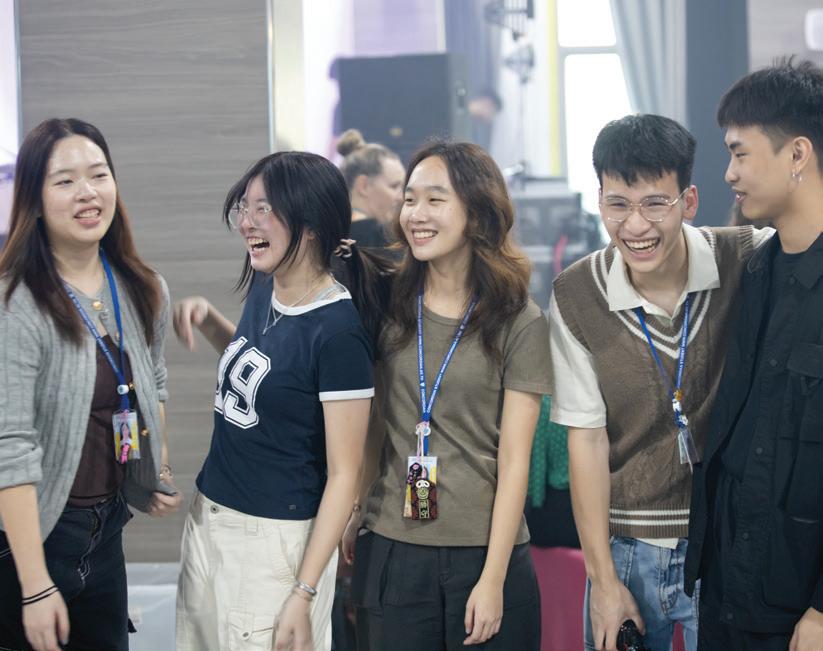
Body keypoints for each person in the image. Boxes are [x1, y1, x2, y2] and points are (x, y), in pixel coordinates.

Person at [548, 114, 770, 651]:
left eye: (654, 203)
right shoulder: (576, 294)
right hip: (625, 547)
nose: (635, 226)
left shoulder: (746, 257)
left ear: (688, 201)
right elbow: (586, 440)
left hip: (721, 541)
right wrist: (603, 582)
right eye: (617, 204)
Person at [344, 141, 551, 650]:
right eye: (409, 199)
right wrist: (358, 509)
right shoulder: (387, 302)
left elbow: (515, 461)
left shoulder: (519, 320)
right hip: (393, 547)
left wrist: (493, 579)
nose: (415, 214)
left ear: (477, 213)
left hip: (484, 553)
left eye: (435, 200)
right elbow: (377, 423)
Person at [173, 151, 384, 651]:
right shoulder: (267, 285)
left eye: (262, 209)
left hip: (273, 543)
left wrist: (303, 593)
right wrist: (210, 321)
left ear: (309, 225)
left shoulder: (338, 334)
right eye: (243, 209)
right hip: (210, 519)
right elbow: (267, 374)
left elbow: (345, 474)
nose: (247, 223)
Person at [0, 118, 180, 651]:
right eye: (65, 181)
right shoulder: (16, 303)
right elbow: (9, 447)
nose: (87, 192)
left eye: (98, 175)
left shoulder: (143, 287)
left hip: (106, 531)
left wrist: (156, 466)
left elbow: (154, 382)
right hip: (29, 541)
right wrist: (35, 586)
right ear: (34, 201)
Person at [684, 59, 823, 651]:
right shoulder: (756, 271)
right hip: (730, 588)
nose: (730, 173)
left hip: (801, 609)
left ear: (797, 154)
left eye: (740, 153)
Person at [337, 128, 404, 251]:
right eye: (394, 186)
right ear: (363, 186)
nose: (402, 197)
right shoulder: (378, 238)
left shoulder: (327, 233)